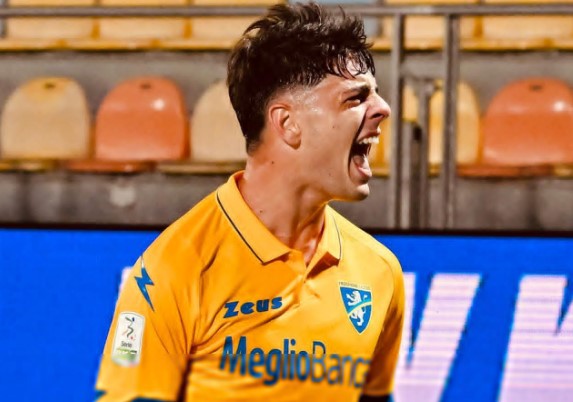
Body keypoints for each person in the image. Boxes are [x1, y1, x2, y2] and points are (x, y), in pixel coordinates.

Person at [95, 2, 404, 401]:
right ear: (288, 124)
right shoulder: (173, 271)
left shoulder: (380, 271)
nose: (383, 109)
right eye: (355, 98)